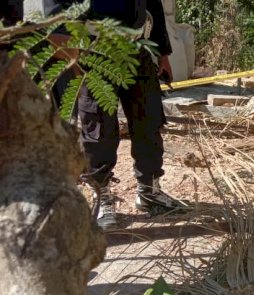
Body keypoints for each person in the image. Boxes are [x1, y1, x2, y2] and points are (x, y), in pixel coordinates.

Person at [47, 0, 189, 230]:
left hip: (138, 50)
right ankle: (101, 197)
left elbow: (153, 5)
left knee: (148, 120)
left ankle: (149, 192)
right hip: (95, 52)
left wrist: (163, 54)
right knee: (99, 129)